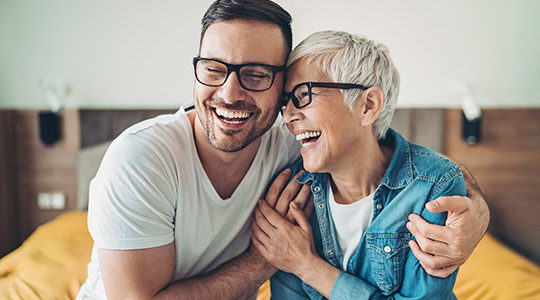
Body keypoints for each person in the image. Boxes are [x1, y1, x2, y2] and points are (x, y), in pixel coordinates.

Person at [77, 0, 489, 299]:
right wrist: (269, 260)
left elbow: (391, 157)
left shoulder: (296, 152)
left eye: (256, 74)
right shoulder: (142, 158)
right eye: (214, 69)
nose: (230, 92)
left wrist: (477, 213)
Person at [251, 30, 469, 299]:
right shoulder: (292, 191)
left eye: (303, 94)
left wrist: (308, 267)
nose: (288, 116)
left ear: (368, 106)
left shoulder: (433, 187)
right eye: (286, 103)